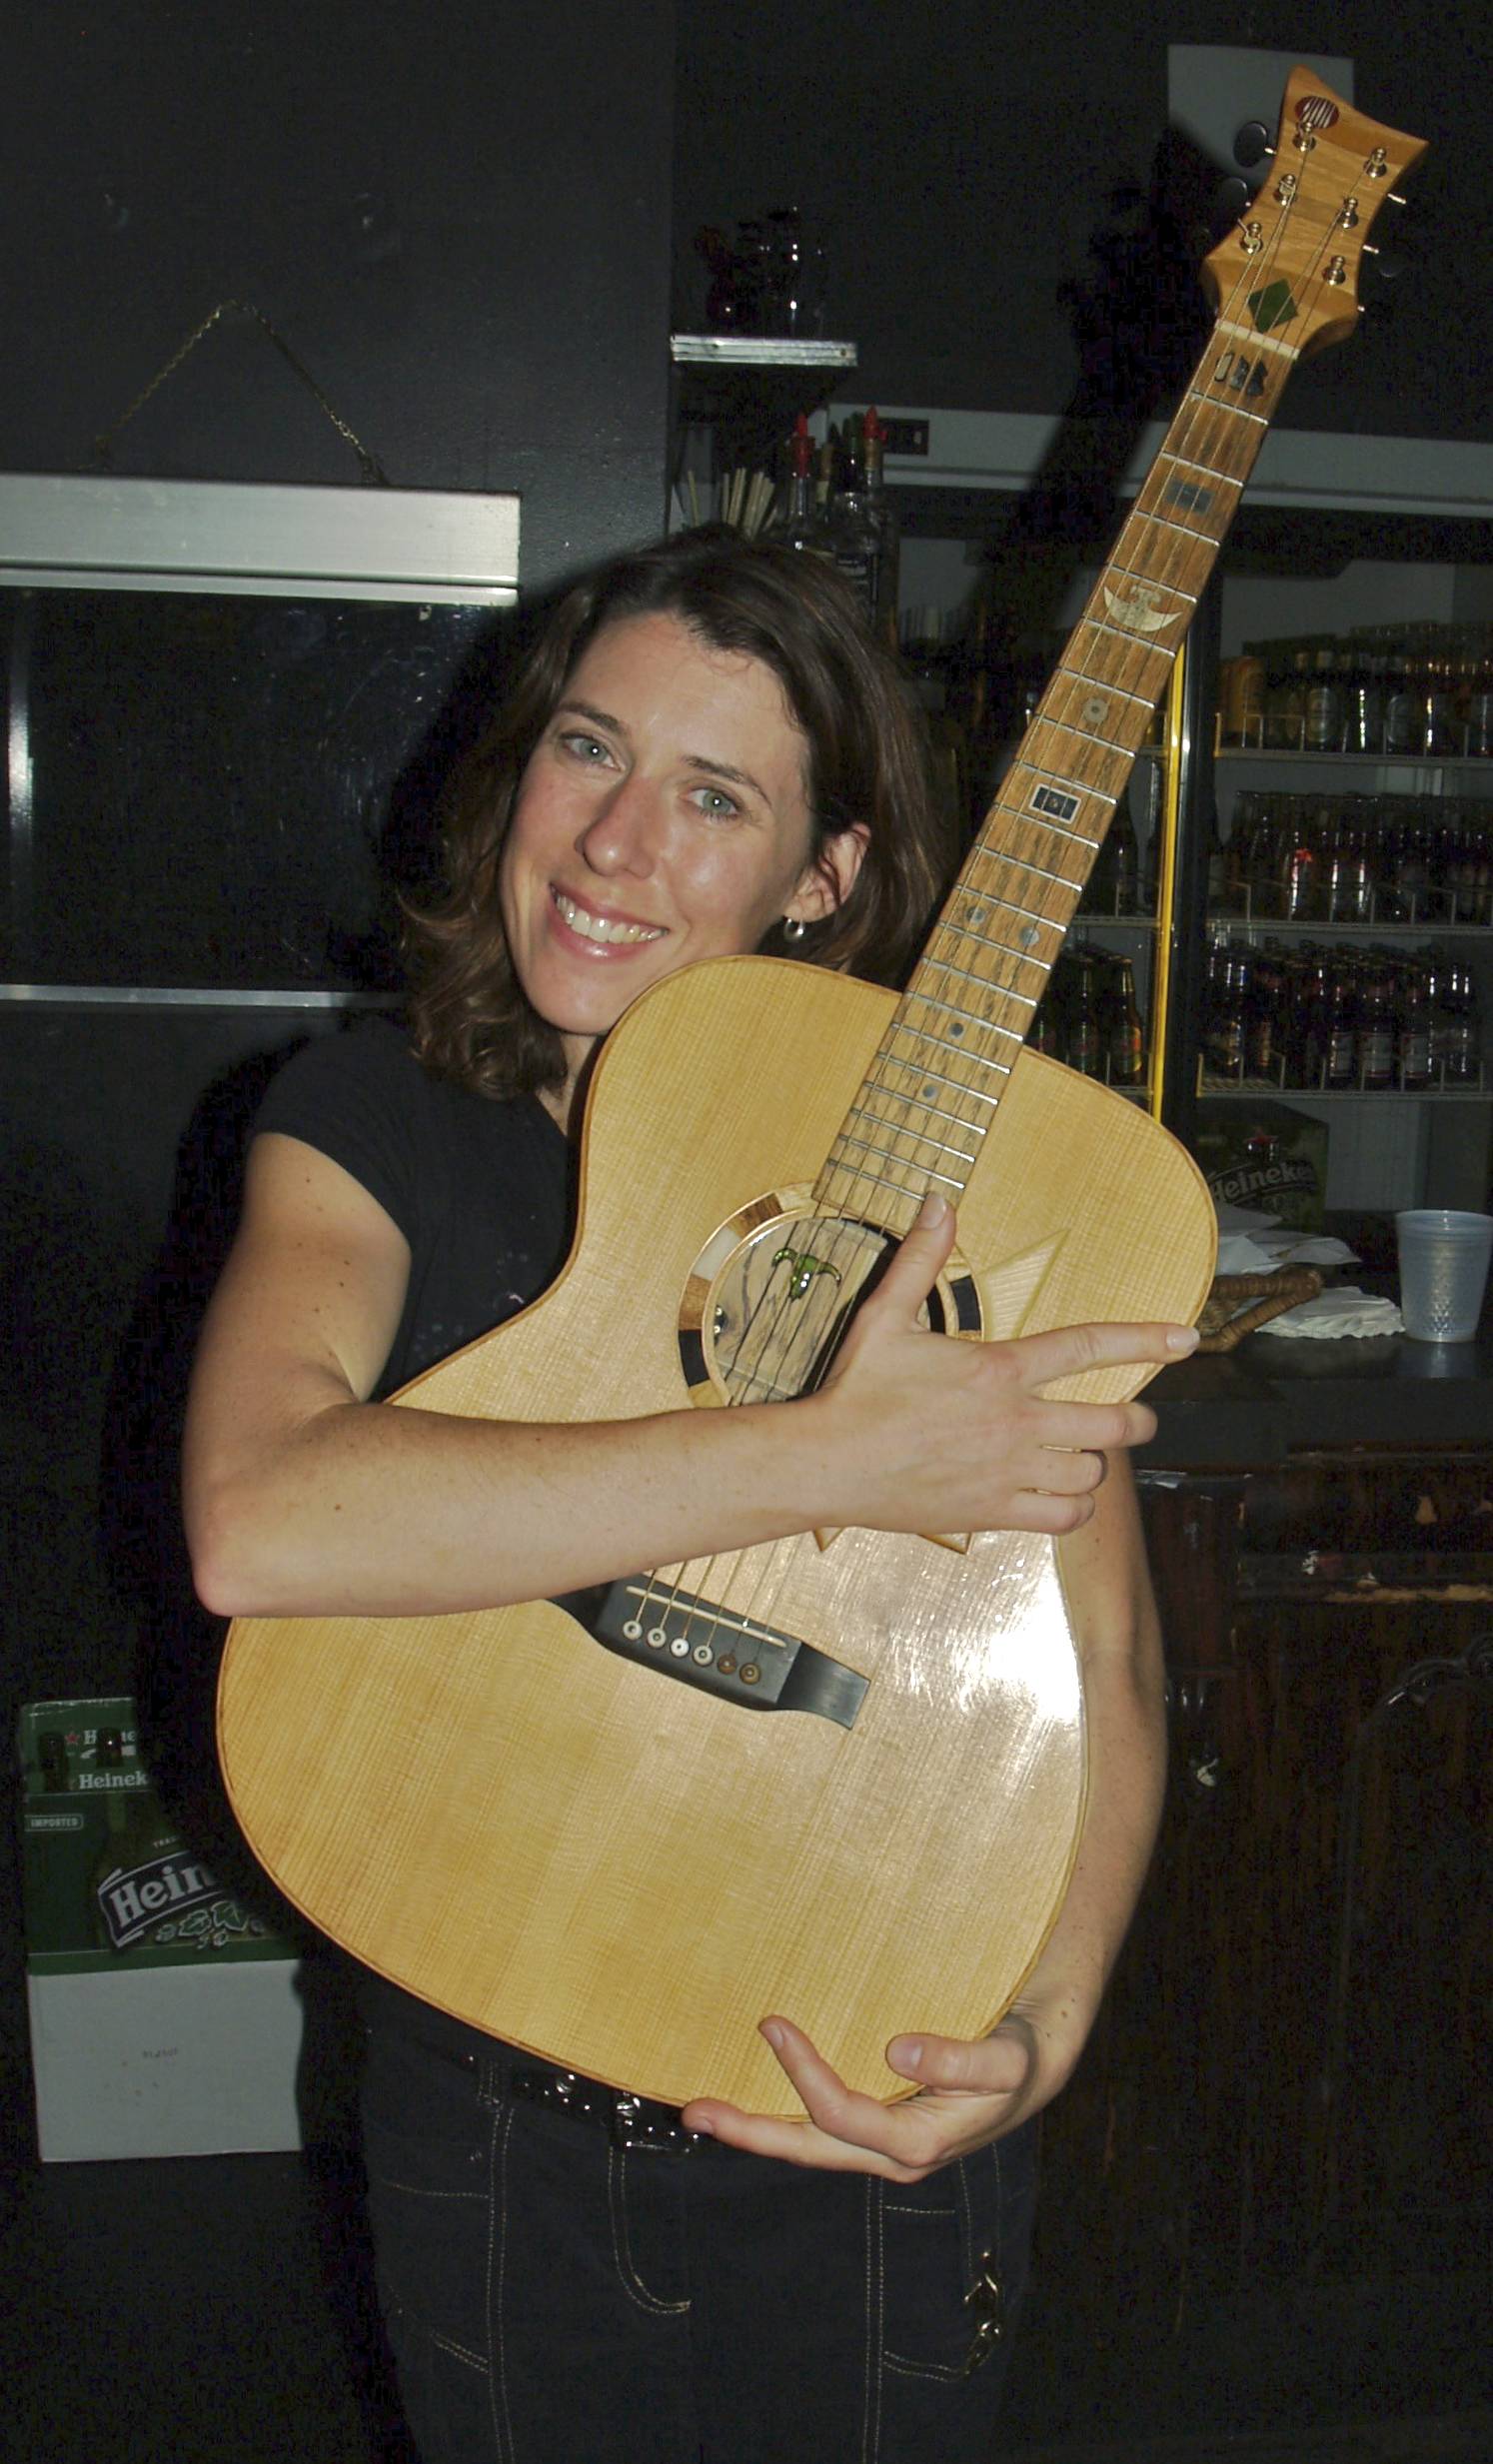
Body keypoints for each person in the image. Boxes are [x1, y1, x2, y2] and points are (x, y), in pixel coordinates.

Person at [183, 527, 1197, 2464]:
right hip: (493, 2117)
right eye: (590, 749)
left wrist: (1039, 2043)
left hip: (861, 2115)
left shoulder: (973, 1210)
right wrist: (824, 1452)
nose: (614, 841)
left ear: (827, 880)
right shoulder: (371, 1119)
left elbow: (1114, 1670)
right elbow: (262, 1518)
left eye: (712, 796)